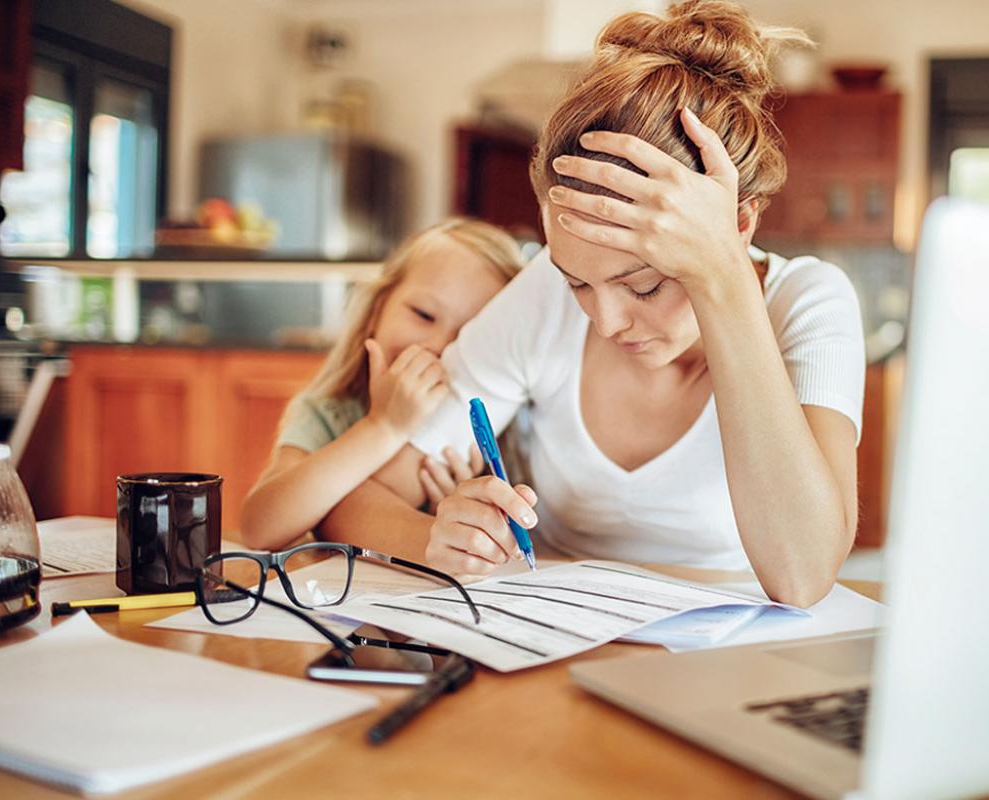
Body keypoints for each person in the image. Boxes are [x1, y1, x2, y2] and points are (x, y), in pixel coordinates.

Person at [322, 0, 865, 607]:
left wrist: (725, 283)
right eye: (578, 282)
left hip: (729, 658)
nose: (605, 321)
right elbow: (356, 499)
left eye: (644, 286)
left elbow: (804, 576)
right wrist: (437, 537)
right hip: (556, 639)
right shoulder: (542, 297)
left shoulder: (807, 303)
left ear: (738, 225)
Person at [239, 219, 526, 551]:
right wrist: (384, 426)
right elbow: (259, 528)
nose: (439, 345)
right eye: (423, 314)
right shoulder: (329, 411)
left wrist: (457, 513)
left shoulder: (506, 426)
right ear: (377, 309)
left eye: (467, 336)